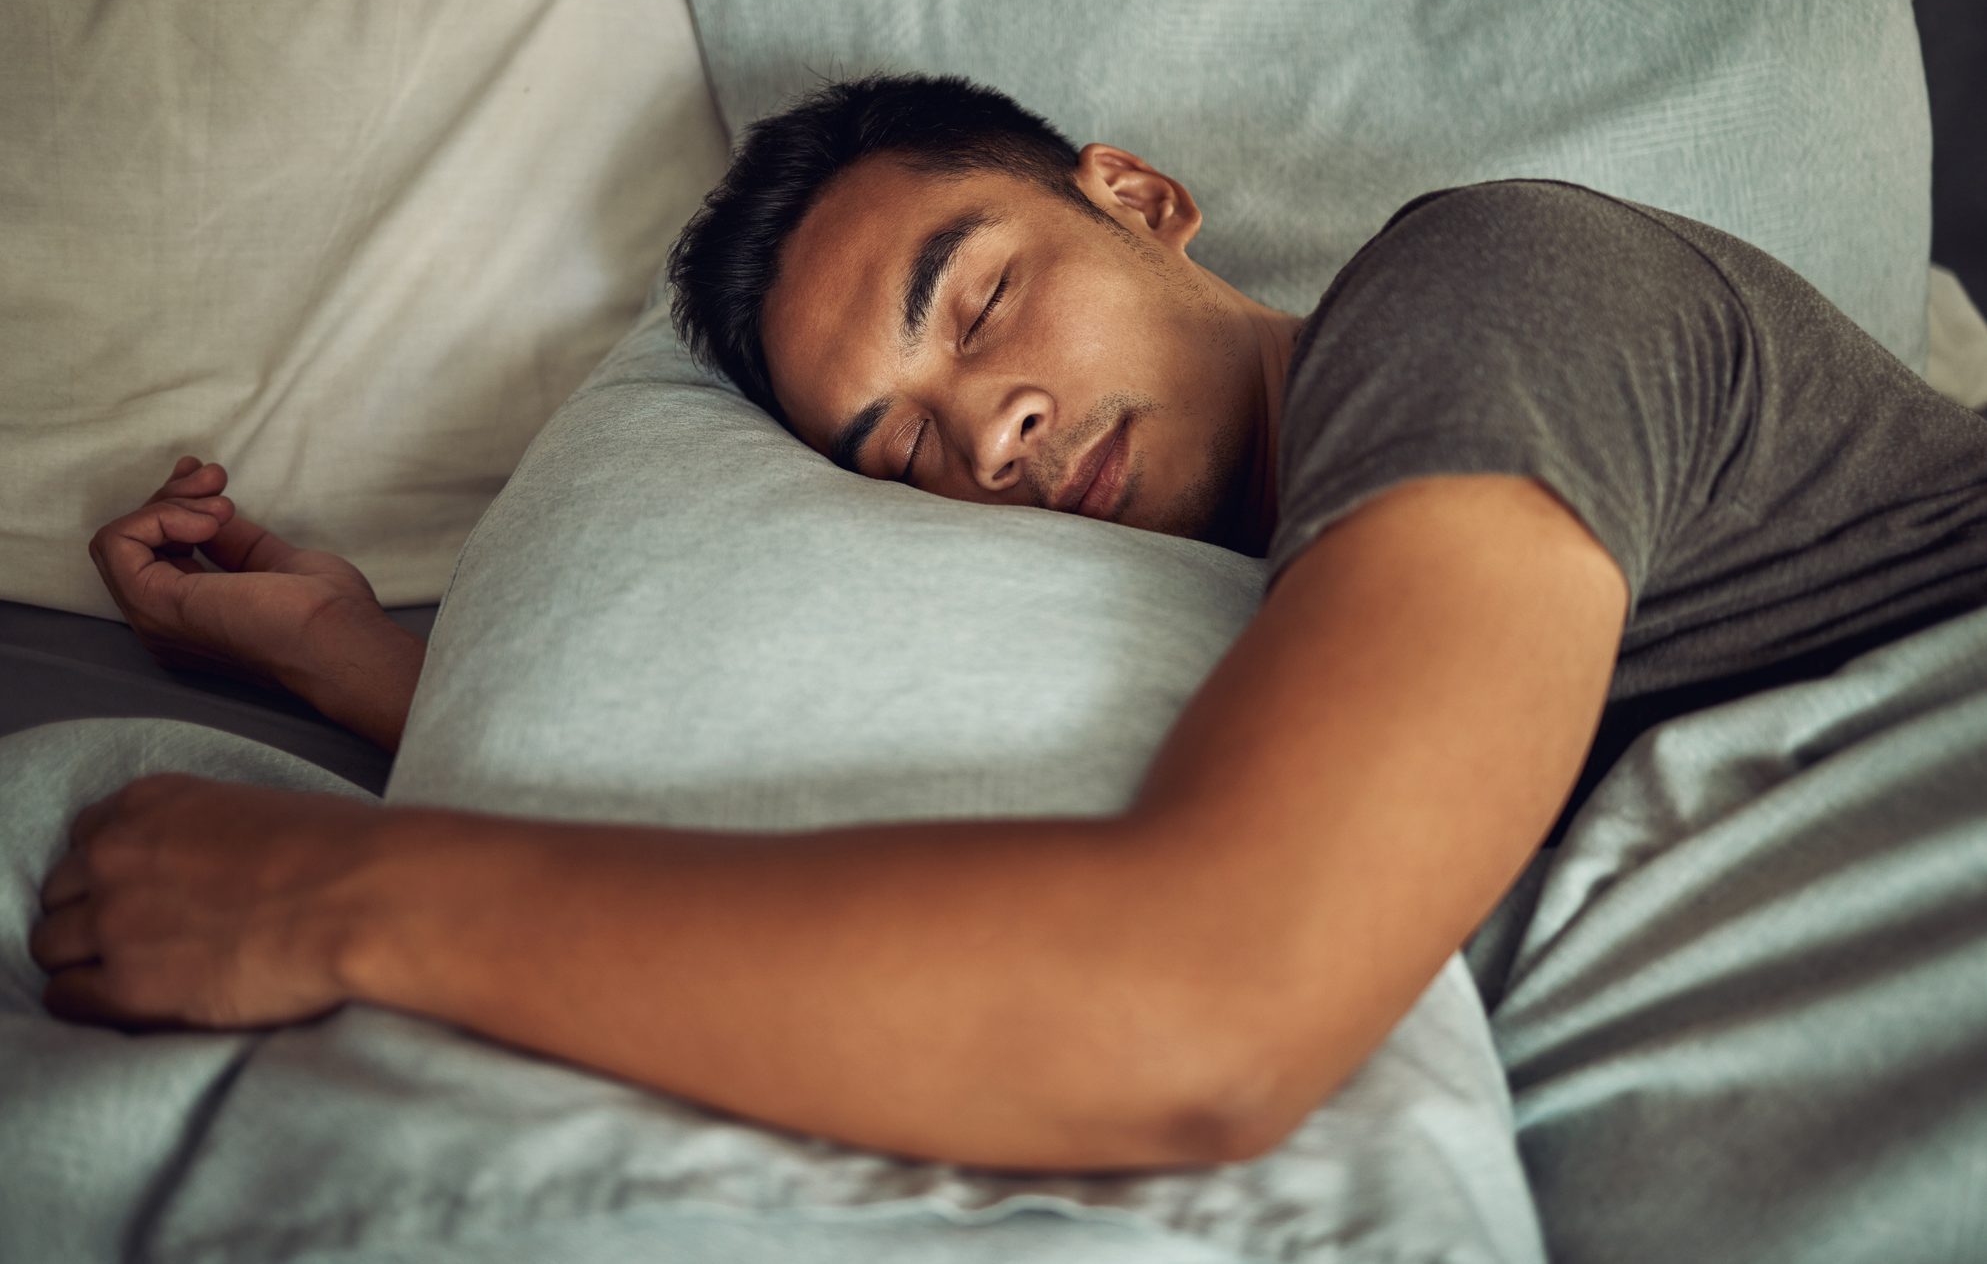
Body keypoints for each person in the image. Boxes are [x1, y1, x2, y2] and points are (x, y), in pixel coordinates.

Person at [32, 73, 1987, 1177]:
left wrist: (345, 899)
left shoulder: (1476, 296)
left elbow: (1209, 1014)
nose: (987, 433)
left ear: (1139, 197)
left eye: (976, 307)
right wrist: (366, 668)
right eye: (900, 447)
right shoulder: (1254, 577)